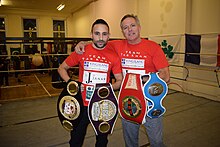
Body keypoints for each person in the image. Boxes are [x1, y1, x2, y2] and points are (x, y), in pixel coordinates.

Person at [75, 14, 170, 147]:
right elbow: (98, 42)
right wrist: (83, 43)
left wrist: (142, 81)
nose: (129, 29)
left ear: (139, 27)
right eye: (125, 27)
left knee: (156, 142)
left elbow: (165, 75)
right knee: (130, 142)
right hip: (128, 101)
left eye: (132, 25)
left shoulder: (153, 47)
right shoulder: (117, 45)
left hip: (150, 102)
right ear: (122, 31)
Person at [58, 19, 123, 147]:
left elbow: (120, 81)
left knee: (102, 141)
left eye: (104, 34)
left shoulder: (113, 56)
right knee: (76, 139)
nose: (100, 38)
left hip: (102, 104)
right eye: (97, 33)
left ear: (109, 35)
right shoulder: (82, 51)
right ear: (91, 35)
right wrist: (72, 84)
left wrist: (107, 88)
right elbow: (61, 68)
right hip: (81, 104)